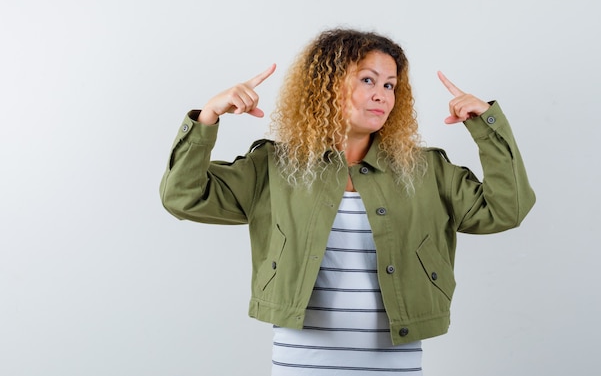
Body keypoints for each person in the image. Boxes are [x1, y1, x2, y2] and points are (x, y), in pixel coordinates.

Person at [159, 28, 535, 375]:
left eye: (390, 85)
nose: (381, 94)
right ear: (325, 86)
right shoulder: (275, 166)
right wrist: (208, 117)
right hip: (301, 363)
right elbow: (184, 197)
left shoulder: (426, 169)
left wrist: (487, 127)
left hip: (395, 363)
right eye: (368, 80)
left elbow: (507, 209)